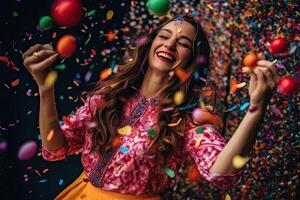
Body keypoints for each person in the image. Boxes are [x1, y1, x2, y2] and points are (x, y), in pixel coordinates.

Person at [22, 15, 279, 200]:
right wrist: (46, 89)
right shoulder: (108, 95)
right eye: (164, 36)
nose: (169, 45)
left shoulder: (187, 119)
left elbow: (221, 175)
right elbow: (55, 149)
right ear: (150, 45)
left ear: (191, 62)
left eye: (183, 44)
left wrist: (256, 108)